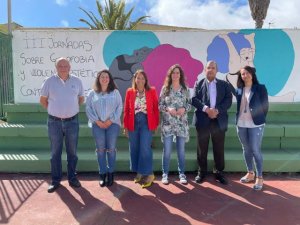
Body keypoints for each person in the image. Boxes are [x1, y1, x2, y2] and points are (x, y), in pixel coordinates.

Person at [40, 57, 84, 193]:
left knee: (72, 152)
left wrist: (69, 110)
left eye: (66, 65)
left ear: (70, 67)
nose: (63, 68)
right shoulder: (49, 81)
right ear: (56, 68)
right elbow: (43, 100)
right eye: (60, 66)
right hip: (54, 123)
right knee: (55, 153)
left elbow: (81, 99)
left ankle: (72, 178)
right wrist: (55, 111)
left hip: (73, 122)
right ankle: (55, 180)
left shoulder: (77, 81)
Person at [191, 60, 232, 185]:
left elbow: (228, 100)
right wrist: (206, 109)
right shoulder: (199, 83)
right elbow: (193, 99)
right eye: (208, 67)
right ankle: (201, 172)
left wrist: (217, 110)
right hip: (203, 120)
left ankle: (218, 172)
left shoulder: (224, 84)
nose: (210, 70)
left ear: (217, 70)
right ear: (205, 70)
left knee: (218, 148)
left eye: (213, 68)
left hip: (218, 120)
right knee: (201, 149)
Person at [86, 69, 122, 187]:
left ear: (110, 79)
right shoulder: (92, 93)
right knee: (100, 149)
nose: (104, 79)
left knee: (111, 149)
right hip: (97, 125)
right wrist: (97, 121)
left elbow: (119, 107)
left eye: (107, 77)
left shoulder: (115, 92)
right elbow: (88, 108)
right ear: (98, 79)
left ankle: (111, 173)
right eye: (102, 77)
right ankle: (102, 173)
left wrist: (110, 120)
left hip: (113, 124)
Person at [123, 70, 159, 188]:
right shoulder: (129, 92)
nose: (140, 80)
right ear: (135, 79)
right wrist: (126, 127)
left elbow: (155, 109)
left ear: (146, 80)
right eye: (138, 78)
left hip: (146, 122)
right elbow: (126, 110)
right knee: (134, 148)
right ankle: (139, 172)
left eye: (142, 78)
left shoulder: (151, 91)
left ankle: (149, 174)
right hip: (133, 122)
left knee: (145, 148)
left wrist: (155, 124)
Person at [235, 66, 269, 190]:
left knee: (255, 149)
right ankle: (250, 173)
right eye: (243, 74)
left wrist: (260, 119)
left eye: (247, 73)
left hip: (256, 124)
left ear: (252, 74)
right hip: (241, 124)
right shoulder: (239, 89)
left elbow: (265, 106)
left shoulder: (260, 88)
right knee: (246, 148)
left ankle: (260, 177)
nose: (245, 75)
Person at [159, 64, 191, 185]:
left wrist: (184, 108)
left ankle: (182, 174)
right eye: (173, 72)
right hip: (168, 125)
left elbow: (189, 104)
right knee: (167, 150)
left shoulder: (185, 89)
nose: (176, 75)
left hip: (181, 124)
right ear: (170, 75)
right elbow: (160, 105)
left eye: (178, 72)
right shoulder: (165, 89)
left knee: (181, 150)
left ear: (180, 75)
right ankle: (165, 174)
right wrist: (168, 109)